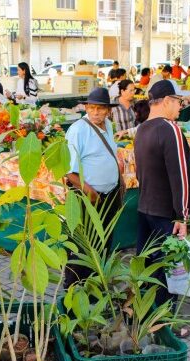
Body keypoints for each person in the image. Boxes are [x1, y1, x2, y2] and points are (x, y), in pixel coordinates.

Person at [134, 79, 190, 310]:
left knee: (149, 268)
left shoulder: (141, 129)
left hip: (145, 208)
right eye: (178, 102)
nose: (180, 107)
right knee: (169, 271)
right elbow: (181, 176)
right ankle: (165, 322)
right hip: (165, 214)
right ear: (167, 101)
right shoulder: (171, 129)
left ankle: (146, 316)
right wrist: (183, 216)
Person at [64, 88, 122, 287]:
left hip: (108, 196)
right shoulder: (78, 129)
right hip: (89, 198)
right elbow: (69, 172)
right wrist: (91, 192)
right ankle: (74, 292)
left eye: (100, 108)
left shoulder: (108, 125)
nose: (96, 112)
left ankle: (96, 289)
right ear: (86, 108)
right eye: (92, 108)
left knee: (103, 245)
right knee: (82, 248)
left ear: (108, 110)